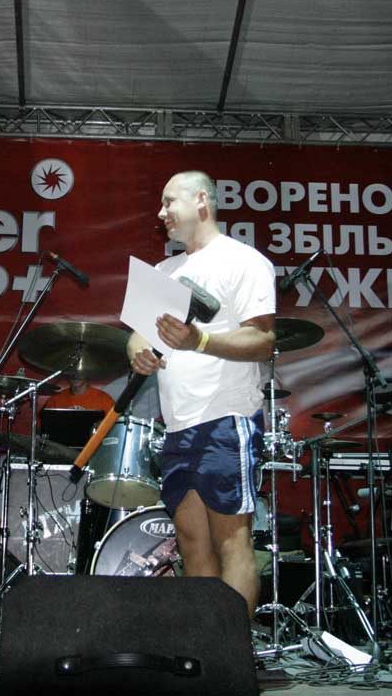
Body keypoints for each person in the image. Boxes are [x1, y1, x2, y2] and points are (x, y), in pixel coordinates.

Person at [128, 170, 276, 618]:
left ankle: (234, 650)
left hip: (226, 419)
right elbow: (137, 335)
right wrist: (138, 353)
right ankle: (206, 646)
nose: (161, 213)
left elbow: (263, 340)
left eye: (168, 201)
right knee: (192, 542)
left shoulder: (244, 261)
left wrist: (202, 340)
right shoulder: (163, 272)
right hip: (177, 427)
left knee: (232, 540)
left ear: (201, 201)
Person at [43, 372, 116, 412]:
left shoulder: (104, 399)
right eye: (72, 371)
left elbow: (114, 427)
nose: (76, 375)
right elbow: (44, 425)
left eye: (81, 372)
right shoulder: (55, 399)